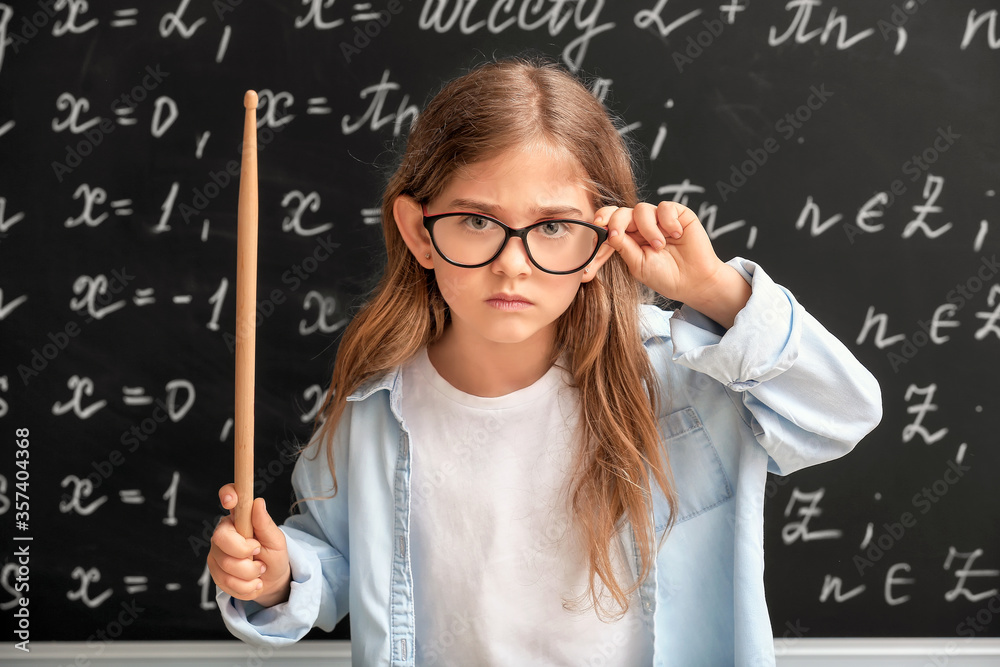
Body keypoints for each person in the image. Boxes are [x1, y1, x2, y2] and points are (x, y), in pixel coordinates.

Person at [208, 57, 882, 666]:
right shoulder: (378, 406)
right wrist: (279, 576)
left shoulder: (681, 374)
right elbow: (336, 562)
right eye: (475, 221)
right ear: (419, 232)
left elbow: (840, 413)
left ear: (599, 242)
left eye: (554, 228)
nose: (512, 262)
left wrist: (715, 292)